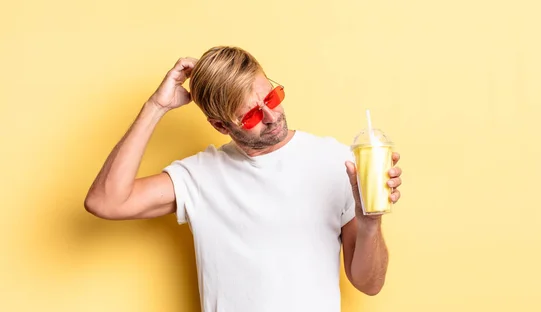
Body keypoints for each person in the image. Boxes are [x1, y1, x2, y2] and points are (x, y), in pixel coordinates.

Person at [84, 46, 402, 312]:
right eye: (250, 115)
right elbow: (106, 201)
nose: (271, 116)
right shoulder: (200, 176)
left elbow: (369, 284)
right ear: (221, 126)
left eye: (272, 97)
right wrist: (156, 107)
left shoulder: (337, 162)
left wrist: (370, 221)